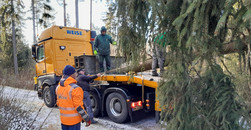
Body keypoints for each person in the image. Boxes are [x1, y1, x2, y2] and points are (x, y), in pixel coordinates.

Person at [56, 65, 91, 130]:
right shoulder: (76, 89)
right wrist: (86, 119)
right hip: (74, 122)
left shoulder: (58, 87)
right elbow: (79, 107)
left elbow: (58, 103)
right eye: (75, 73)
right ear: (72, 75)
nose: (76, 74)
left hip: (63, 121)